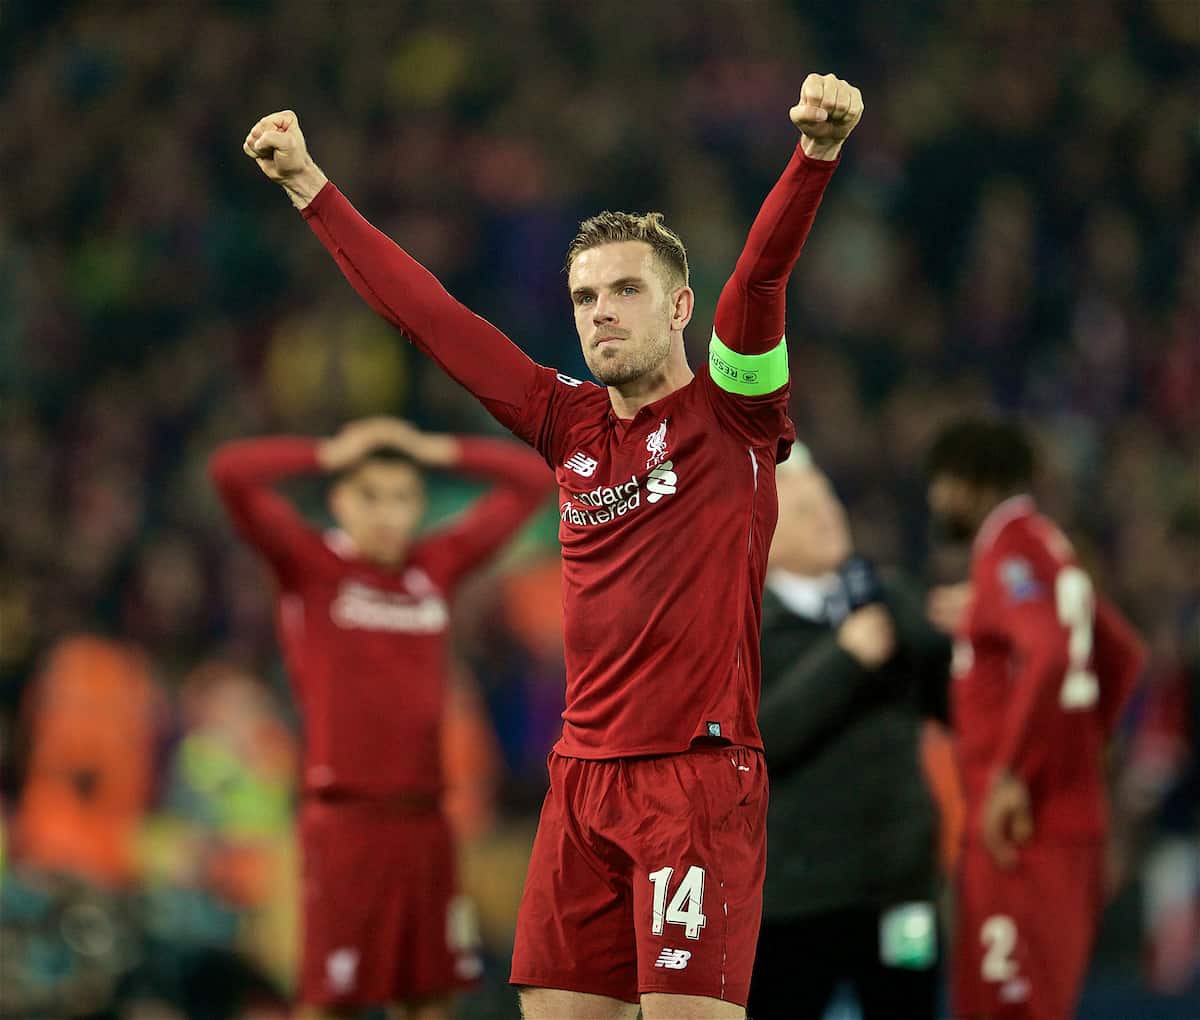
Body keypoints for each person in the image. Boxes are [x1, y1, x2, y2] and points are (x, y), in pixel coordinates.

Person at [242, 71, 863, 1020]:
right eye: (584, 297)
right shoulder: (564, 422)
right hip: (580, 784)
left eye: (625, 290)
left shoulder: (733, 413)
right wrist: (308, 187)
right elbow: (432, 319)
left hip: (694, 782)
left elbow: (762, 278)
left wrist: (813, 156)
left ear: (680, 307)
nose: (601, 311)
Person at [209, 416, 553, 1020]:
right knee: (332, 999)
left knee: (428, 999)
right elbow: (230, 474)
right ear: (338, 501)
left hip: (425, 824)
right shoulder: (312, 566)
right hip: (345, 823)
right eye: (370, 496)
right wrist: (327, 450)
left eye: (402, 499)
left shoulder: (434, 567)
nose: (388, 514)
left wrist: (436, 447)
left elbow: (530, 480)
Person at [924, 418, 1146, 1020]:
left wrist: (1011, 774)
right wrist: (1081, 747)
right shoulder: (1046, 546)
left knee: (1009, 1007)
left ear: (969, 484)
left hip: (1023, 835)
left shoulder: (1008, 552)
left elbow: (1047, 650)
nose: (933, 500)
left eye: (940, 484)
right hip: (1055, 822)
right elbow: (1121, 655)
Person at [748, 446, 950, 1018]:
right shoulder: (742, 623)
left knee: (910, 1005)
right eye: (806, 509)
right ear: (765, 531)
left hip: (900, 891)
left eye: (828, 499)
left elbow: (953, 707)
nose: (827, 516)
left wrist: (966, 642)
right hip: (796, 896)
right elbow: (760, 737)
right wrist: (845, 657)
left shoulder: (891, 596)